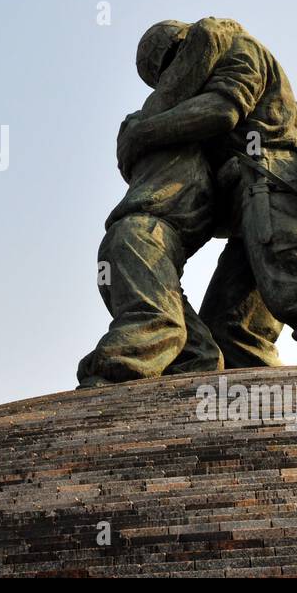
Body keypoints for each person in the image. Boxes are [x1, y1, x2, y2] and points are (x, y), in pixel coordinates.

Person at [115, 17, 297, 368]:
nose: (175, 79)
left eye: (172, 64)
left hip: (274, 190)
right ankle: (253, 414)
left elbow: (222, 110)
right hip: (247, 209)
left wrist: (142, 133)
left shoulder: (240, 48)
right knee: (232, 331)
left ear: (185, 45)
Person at [76, 20, 234, 387]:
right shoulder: (150, 121)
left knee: (200, 358)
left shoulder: (190, 143)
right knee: (157, 327)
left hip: (145, 251)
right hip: (139, 242)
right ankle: (97, 390)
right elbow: (216, 103)